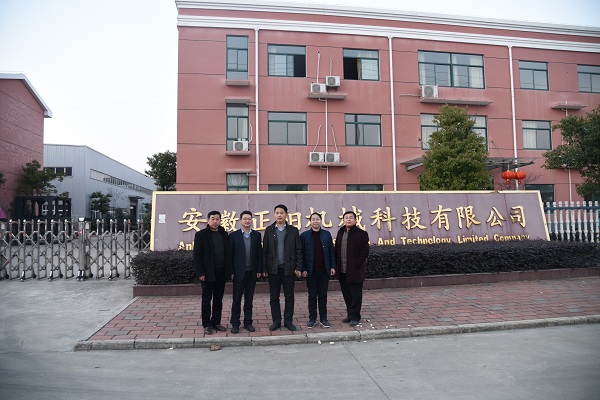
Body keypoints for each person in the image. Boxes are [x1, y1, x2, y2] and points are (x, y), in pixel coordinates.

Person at [263, 204, 303, 331]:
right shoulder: (269, 230)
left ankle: (288, 321)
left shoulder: (293, 230)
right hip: (273, 269)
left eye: (281, 213)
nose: (279, 215)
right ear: (274, 215)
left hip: (289, 269)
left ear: (286, 214)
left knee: (289, 296)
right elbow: (265, 251)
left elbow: (298, 250)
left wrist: (298, 267)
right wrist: (264, 269)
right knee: (274, 297)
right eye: (277, 213)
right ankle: (276, 321)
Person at [193, 210, 232, 335]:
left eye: (217, 219)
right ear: (208, 220)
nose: (215, 221)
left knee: (218, 299)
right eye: (213, 219)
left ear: (220, 220)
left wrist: (229, 271)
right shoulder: (201, 235)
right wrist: (200, 273)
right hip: (207, 272)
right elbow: (197, 255)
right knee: (206, 299)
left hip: (221, 271)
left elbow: (228, 254)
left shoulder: (224, 234)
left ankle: (216, 322)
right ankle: (206, 324)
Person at [229, 210, 263, 334]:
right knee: (236, 300)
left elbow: (259, 253)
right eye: (244, 219)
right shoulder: (233, 235)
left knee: (249, 300)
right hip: (238, 272)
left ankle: (248, 322)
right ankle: (235, 323)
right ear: (240, 221)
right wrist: (231, 271)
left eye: (249, 218)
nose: (247, 221)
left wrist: (259, 269)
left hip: (251, 273)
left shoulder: (256, 235)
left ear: (252, 220)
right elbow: (230, 255)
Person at [300, 212, 336, 328]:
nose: (315, 221)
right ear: (310, 221)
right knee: (312, 296)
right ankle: (312, 319)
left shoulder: (326, 234)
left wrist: (332, 266)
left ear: (321, 221)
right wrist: (303, 269)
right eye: (313, 219)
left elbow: (331, 252)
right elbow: (301, 254)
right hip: (311, 271)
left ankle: (324, 319)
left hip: (324, 270)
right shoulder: (304, 236)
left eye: (317, 219)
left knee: (323, 295)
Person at [335, 210, 370, 327]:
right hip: (342, 270)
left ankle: (355, 316)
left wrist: (356, 264)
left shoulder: (361, 234)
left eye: (351, 217)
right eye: (346, 218)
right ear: (343, 220)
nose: (348, 219)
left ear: (355, 220)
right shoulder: (340, 232)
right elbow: (337, 250)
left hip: (355, 271)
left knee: (355, 295)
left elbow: (365, 251)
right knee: (347, 294)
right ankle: (350, 314)